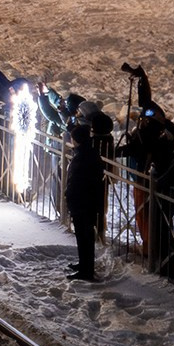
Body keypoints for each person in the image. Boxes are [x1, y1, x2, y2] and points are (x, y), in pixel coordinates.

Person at [66, 110, 110, 281]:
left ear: (77, 140)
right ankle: (84, 264)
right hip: (86, 202)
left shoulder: (83, 157)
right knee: (82, 236)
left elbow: (78, 182)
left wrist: (70, 197)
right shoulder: (88, 152)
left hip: (83, 203)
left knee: (85, 236)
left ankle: (86, 270)